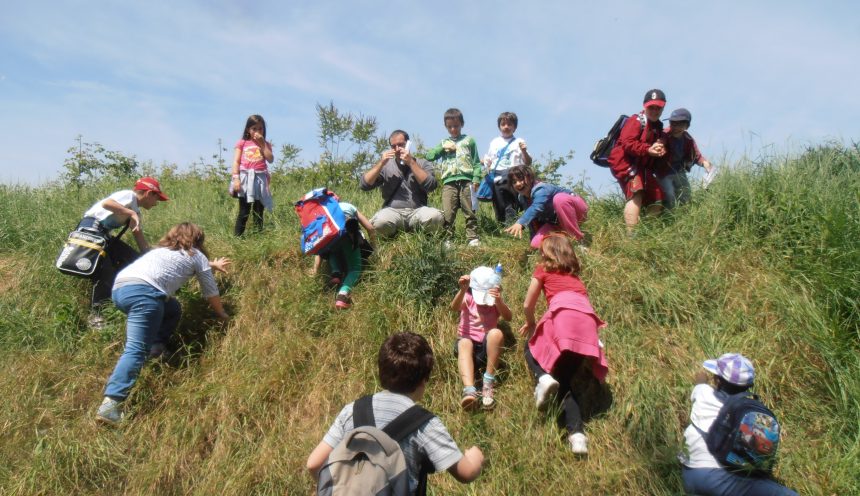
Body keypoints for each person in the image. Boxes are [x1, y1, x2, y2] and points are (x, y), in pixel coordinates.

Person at [306, 331, 485, 494]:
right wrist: (475, 457)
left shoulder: (352, 410)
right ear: (424, 380)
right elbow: (466, 473)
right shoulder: (424, 424)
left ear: (380, 372)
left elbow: (314, 464)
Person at [95, 223, 230, 425]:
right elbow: (210, 291)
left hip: (121, 290)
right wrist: (222, 314)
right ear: (198, 240)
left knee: (172, 308)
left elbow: (181, 263)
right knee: (135, 349)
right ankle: (111, 405)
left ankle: (156, 349)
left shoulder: (160, 252)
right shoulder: (197, 255)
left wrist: (211, 264)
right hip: (145, 294)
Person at [519, 234, 608, 454]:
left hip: (562, 319)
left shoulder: (543, 269)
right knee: (565, 382)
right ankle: (577, 436)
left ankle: (543, 378)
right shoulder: (575, 278)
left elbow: (527, 304)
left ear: (545, 252)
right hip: (586, 327)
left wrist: (530, 322)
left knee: (530, 348)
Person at [680, 353, 798, 496]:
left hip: (689, 474)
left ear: (717, 381)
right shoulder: (749, 411)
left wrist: (702, 377)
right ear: (749, 386)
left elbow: (700, 382)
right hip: (719, 479)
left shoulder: (703, 393)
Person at [76, 177, 169, 329]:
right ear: (149, 193)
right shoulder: (129, 196)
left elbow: (140, 240)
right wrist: (130, 212)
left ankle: (128, 300)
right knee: (105, 271)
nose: (156, 203)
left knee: (133, 260)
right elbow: (107, 203)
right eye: (156, 198)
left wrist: (153, 257)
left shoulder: (136, 212)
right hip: (90, 231)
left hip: (104, 236)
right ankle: (96, 315)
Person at [359, 130, 444, 238]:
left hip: (418, 211)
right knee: (379, 223)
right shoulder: (386, 166)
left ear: (408, 144)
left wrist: (411, 163)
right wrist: (381, 163)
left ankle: (414, 232)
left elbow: (431, 185)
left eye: (401, 145)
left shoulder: (422, 163)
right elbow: (364, 185)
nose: (397, 149)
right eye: (393, 146)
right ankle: (398, 233)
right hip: (392, 212)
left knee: (435, 217)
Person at [450, 266, 512, 410]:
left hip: (487, 349)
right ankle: (469, 390)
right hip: (467, 349)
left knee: (496, 333)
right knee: (465, 342)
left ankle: (488, 382)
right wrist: (462, 290)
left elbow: (508, 317)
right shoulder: (469, 297)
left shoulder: (495, 301)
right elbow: (454, 307)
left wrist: (499, 301)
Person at [607, 89, 667, 233]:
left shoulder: (658, 127)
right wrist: (648, 150)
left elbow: (655, 145)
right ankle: (631, 236)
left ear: (663, 107)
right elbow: (627, 143)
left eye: (658, 107)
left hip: (642, 167)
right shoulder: (636, 120)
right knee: (637, 192)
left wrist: (660, 150)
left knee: (658, 197)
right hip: (624, 162)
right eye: (651, 107)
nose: (654, 110)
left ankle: (645, 231)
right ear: (644, 106)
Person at [424, 108, 482, 247]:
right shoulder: (444, 143)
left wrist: (476, 178)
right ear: (446, 127)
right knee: (448, 212)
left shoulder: (469, 141)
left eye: (456, 126)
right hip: (449, 182)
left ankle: (472, 237)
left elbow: (476, 162)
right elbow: (430, 156)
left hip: (467, 180)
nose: (453, 129)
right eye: (450, 126)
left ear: (462, 124)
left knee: (470, 210)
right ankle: (448, 238)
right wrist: (442, 149)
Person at [503, 165, 588, 249]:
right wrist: (532, 240)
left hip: (576, 211)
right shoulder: (522, 198)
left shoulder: (541, 189)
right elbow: (532, 221)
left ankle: (579, 240)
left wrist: (520, 222)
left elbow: (536, 207)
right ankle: (564, 241)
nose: (518, 184)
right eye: (514, 182)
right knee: (536, 244)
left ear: (530, 178)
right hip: (556, 222)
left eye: (521, 179)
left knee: (559, 199)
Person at [310, 201, 376, 309]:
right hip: (348, 239)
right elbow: (370, 228)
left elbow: (320, 245)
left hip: (331, 243)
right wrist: (375, 248)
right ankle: (343, 295)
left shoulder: (323, 213)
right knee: (354, 269)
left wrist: (315, 270)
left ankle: (336, 273)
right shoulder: (348, 206)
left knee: (332, 249)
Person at [657, 108, 715, 209]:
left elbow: (697, 156)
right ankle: (670, 216)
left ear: (686, 126)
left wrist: (705, 163)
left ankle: (684, 214)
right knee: (669, 193)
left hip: (679, 171)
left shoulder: (688, 140)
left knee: (685, 194)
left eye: (679, 124)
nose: (675, 127)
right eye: (673, 123)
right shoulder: (664, 135)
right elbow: (658, 144)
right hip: (664, 172)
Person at [483, 111, 532, 224]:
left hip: (513, 174)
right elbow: (489, 160)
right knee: (499, 203)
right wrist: (484, 161)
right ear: (499, 126)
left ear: (514, 127)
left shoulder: (519, 141)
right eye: (503, 124)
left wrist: (524, 151)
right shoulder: (494, 142)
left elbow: (528, 162)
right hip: (497, 175)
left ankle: (513, 226)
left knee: (512, 202)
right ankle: (502, 227)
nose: (506, 127)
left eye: (509, 124)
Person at [230, 114, 274, 236]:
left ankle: (258, 237)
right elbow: (236, 161)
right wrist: (236, 179)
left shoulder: (265, 144)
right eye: (254, 128)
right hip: (245, 178)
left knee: (259, 210)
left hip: (260, 179)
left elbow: (270, 159)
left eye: (260, 128)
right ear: (248, 130)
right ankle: (237, 238)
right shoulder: (242, 143)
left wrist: (262, 144)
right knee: (244, 210)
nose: (257, 131)